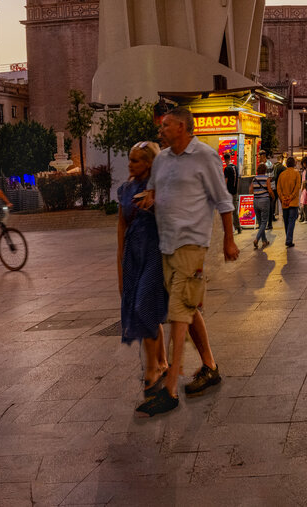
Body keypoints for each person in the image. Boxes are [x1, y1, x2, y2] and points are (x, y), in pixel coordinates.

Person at [137, 109, 238, 417]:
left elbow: (223, 200)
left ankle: (169, 390)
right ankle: (210, 366)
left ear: (181, 127)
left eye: (166, 125)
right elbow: (154, 191)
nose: (161, 130)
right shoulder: (163, 159)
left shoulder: (205, 156)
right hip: (166, 245)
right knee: (188, 309)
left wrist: (228, 239)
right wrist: (148, 199)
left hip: (192, 244)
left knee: (178, 312)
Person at [116, 142, 167, 397]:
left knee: (144, 305)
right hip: (133, 256)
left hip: (155, 253)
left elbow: (171, 218)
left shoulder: (159, 188)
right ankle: (162, 362)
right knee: (145, 308)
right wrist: (120, 269)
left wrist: (155, 200)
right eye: (130, 158)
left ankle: (151, 370)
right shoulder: (125, 190)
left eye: (135, 160)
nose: (130, 164)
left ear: (148, 163)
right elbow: (120, 231)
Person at [277, 158, 303, 247]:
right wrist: (290, 197)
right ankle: (288, 240)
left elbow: (278, 188)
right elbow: (297, 187)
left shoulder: (281, 175)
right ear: (294, 164)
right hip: (293, 202)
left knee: (286, 221)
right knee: (292, 220)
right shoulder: (296, 174)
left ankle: (288, 238)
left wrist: (283, 198)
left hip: (284, 203)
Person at [250, 161, 275, 251]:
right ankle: (257, 239)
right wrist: (273, 196)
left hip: (256, 201)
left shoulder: (254, 179)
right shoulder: (266, 178)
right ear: (264, 170)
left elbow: (250, 191)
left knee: (260, 222)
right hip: (264, 201)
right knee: (264, 222)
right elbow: (270, 190)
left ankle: (264, 241)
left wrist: (257, 192)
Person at [223, 161, 241, 234]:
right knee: (235, 210)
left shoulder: (227, 169)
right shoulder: (236, 167)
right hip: (235, 192)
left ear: (225, 160)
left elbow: (226, 180)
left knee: (228, 211)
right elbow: (238, 180)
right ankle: (238, 227)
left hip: (228, 192)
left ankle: (232, 228)